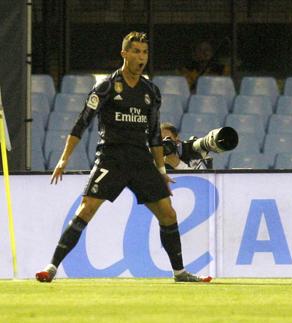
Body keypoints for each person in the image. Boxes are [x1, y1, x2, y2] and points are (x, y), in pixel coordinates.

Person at [35, 32, 212, 283]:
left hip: (140, 160)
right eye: (137, 52)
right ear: (124, 54)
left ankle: (180, 273)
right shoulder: (106, 86)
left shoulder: (151, 91)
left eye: (145, 52)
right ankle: (51, 267)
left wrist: (161, 172)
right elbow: (81, 123)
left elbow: (153, 135)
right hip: (111, 157)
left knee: (168, 214)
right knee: (86, 210)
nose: (141, 57)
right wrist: (64, 159)